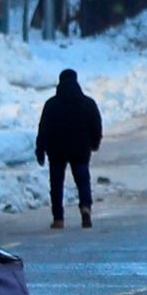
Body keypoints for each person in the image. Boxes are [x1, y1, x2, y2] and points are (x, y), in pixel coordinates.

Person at [35, 69, 103, 229]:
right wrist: (94, 143)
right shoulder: (88, 103)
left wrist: (40, 149)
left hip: (56, 150)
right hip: (80, 149)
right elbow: (96, 125)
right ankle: (85, 208)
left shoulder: (51, 104)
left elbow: (43, 128)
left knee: (56, 184)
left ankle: (58, 218)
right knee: (83, 180)